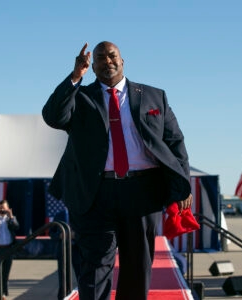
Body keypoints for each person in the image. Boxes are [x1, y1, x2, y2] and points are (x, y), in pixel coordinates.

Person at [42, 41, 192, 300]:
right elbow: (54, 117)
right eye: (100, 58)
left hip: (143, 192)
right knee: (96, 265)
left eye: (112, 56)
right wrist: (76, 76)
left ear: (123, 61)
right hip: (96, 193)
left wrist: (183, 184)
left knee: (137, 266)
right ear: (93, 65)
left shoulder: (155, 96)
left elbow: (175, 142)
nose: (107, 61)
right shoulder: (81, 97)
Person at [49, 208, 81, 300]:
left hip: (77, 250)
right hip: (63, 249)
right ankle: (63, 297)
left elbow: (86, 231)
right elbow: (51, 232)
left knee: (81, 275)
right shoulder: (60, 214)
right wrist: (59, 236)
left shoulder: (78, 213)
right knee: (63, 278)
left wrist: (76, 235)